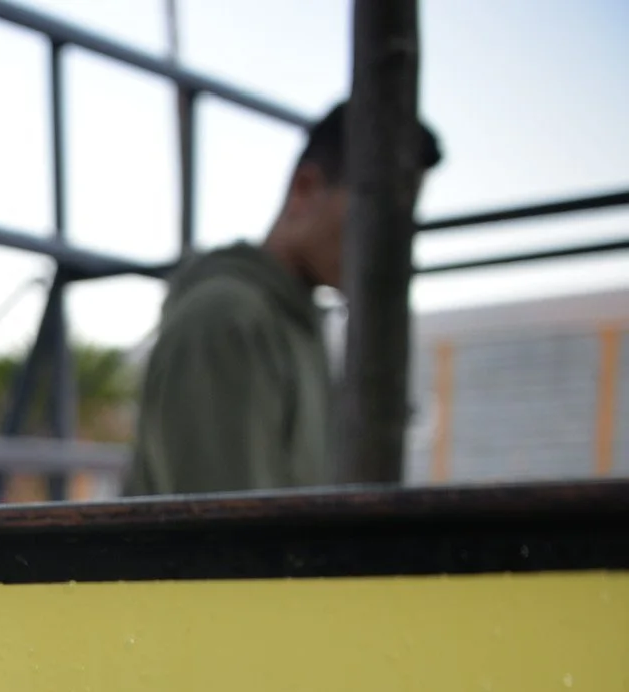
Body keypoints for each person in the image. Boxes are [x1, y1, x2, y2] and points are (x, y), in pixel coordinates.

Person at [123, 102, 444, 497]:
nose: (393, 243)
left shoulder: (291, 324)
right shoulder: (227, 319)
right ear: (305, 189)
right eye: (378, 213)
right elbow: (222, 542)